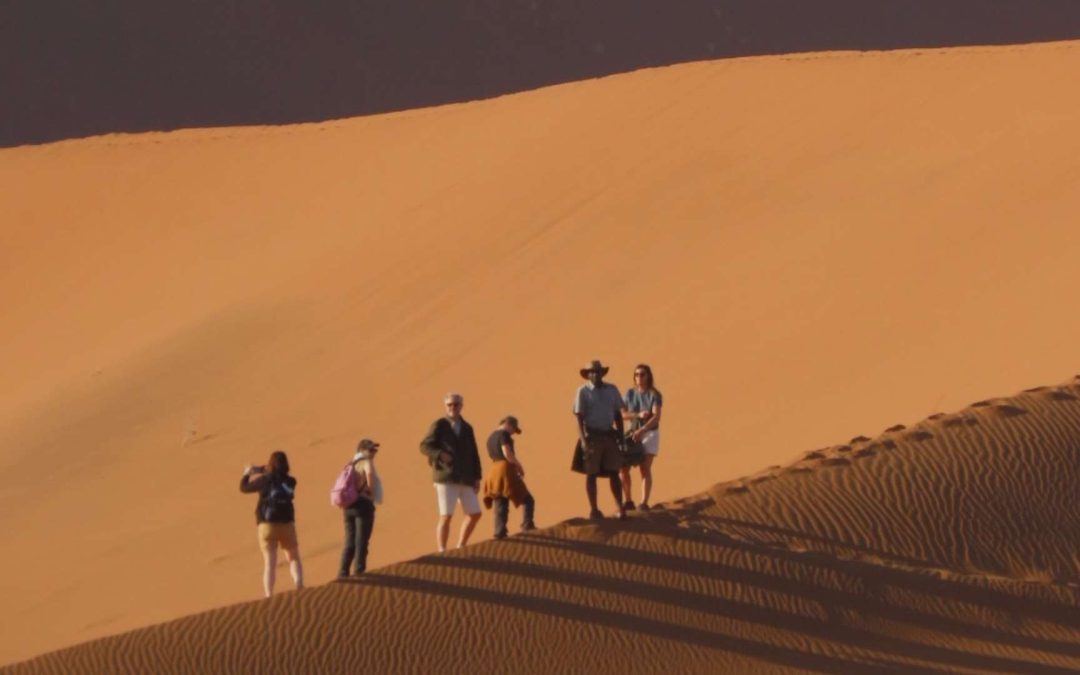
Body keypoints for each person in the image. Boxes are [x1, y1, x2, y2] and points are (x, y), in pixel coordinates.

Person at [420, 392, 483, 552]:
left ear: (461, 406)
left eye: (456, 404)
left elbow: (474, 453)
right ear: (445, 406)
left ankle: (461, 545)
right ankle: (442, 549)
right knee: (446, 516)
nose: (453, 407)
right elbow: (424, 446)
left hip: (466, 478)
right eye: (449, 404)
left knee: (475, 513)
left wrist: (477, 477)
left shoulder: (468, 428)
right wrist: (440, 454)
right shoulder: (439, 424)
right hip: (446, 477)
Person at [239, 450, 303, 597]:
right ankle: (299, 585)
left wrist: (248, 472)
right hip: (286, 523)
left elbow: (243, 488)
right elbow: (280, 478)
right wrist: (264, 469)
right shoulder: (291, 482)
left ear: (270, 464)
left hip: (266, 525)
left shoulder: (265, 480)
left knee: (270, 563)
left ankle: (269, 594)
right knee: (293, 557)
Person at [572, 359, 627, 519]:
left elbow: (618, 414)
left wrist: (621, 437)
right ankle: (594, 509)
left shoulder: (612, 389)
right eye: (591, 372)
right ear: (587, 375)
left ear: (602, 373)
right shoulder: (582, 391)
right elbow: (579, 418)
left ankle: (620, 507)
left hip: (609, 435)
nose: (595, 374)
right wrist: (583, 440)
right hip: (592, 436)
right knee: (591, 473)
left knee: (614, 472)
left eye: (597, 371)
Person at [482, 415, 536, 539]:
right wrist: (518, 466)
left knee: (501, 501)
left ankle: (499, 532)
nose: (513, 433)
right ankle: (527, 525)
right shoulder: (504, 434)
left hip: (494, 470)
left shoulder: (491, 437)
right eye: (514, 430)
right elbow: (507, 452)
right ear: (509, 424)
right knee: (527, 499)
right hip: (505, 469)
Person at [620, 363, 663, 511]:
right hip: (632, 433)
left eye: (642, 374)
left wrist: (643, 429)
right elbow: (622, 414)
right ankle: (628, 501)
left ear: (648, 376)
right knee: (623, 467)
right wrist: (637, 415)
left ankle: (644, 502)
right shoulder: (629, 394)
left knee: (644, 468)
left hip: (649, 433)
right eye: (636, 374)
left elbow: (656, 417)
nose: (639, 377)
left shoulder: (654, 394)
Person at [338, 438, 383, 578]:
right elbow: (369, 473)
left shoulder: (350, 464)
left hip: (349, 506)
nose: (374, 452)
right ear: (362, 450)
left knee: (350, 540)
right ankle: (359, 570)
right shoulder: (366, 462)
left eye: (374, 449)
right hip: (363, 504)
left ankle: (343, 572)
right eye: (370, 449)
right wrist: (371, 490)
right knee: (362, 540)